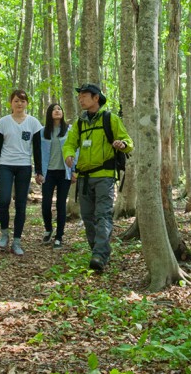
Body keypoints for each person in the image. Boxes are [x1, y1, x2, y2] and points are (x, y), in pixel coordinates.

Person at [63, 83, 132, 273]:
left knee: (103, 215)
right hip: (84, 178)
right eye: (79, 97)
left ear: (96, 98)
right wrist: (68, 155)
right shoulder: (80, 122)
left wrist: (122, 144)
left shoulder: (111, 119)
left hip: (105, 176)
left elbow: (128, 141)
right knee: (87, 217)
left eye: (84, 96)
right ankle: (98, 252)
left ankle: (100, 255)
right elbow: (70, 143)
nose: (81, 99)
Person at [0, 89, 43, 256]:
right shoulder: (3, 122)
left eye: (23, 101)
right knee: (4, 200)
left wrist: (39, 170)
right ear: (11, 103)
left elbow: (37, 149)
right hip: (5, 165)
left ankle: (17, 241)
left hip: (24, 166)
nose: (19, 104)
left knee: (21, 204)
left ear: (27, 103)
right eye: (16, 101)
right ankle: (4, 235)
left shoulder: (33, 123)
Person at [35, 102, 75, 248]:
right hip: (48, 173)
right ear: (49, 113)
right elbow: (38, 154)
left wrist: (74, 171)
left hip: (64, 172)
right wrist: (38, 172)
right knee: (46, 204)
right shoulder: (42, 132)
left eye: (59, 109)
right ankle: (48, 229)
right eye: (54, 109)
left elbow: (74, 151)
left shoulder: (70, 130)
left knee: (61, 205)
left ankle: (59, 236)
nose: (57, 111)